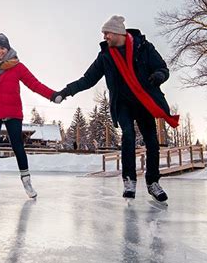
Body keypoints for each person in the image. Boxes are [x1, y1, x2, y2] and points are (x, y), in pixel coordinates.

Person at [52, 16, 179, 203]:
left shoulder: (143, 47)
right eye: (104, 34)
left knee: (152, 141)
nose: (105, 37)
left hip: (144, 100)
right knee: (127, 134)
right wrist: (65, 92)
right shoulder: (105, 56)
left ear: (119, 32)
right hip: (123, 103)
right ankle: (129, 180)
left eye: (107, 33)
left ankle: (153, 182)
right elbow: (87, 79)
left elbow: (162, 68)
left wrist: (159, 75)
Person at [0, 33, 57, 202]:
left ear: (8, 49)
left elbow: (34, 84)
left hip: (12, 111)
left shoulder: (17, 66)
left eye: (2, 48)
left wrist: (52, 95)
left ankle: (27, 182)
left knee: (17, 146)